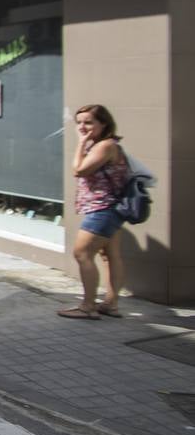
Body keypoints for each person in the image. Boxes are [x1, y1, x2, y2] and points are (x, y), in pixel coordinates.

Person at [60, 104, 128, 319]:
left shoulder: (104, 146)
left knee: (82, 253)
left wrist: (80, 143)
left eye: (88, 122)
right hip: (111, 208)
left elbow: (79, 170)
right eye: (79, 122)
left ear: (104, 123)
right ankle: (111, 304)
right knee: (110, 256)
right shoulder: (108, 144)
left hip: (102, 209)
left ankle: (88, 306)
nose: (82, 127)